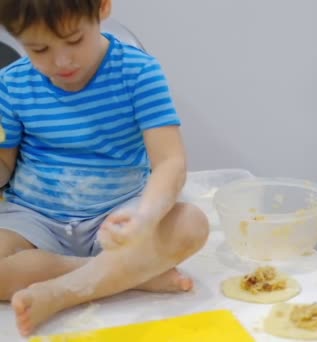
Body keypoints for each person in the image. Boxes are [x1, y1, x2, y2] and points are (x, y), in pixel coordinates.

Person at [0, 0, 209, 337]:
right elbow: (4, 165)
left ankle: (63, 291)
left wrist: (145, 216)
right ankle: (128, 275)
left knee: (191, 224)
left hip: (117, 215)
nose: (61, 61)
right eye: (39, 49)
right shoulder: (11, 84)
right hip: (36, 217)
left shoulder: (138, 72)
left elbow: (170, 161)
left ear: (101, 8)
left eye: (74, 40)